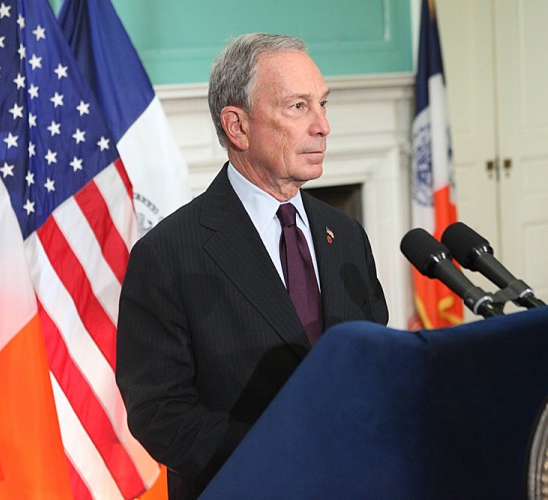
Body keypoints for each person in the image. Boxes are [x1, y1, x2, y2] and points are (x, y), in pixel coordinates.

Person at [116, 32, 389, 499]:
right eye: (298, 107)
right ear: (237, 126)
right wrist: (289, 455)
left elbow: (373, 360)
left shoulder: (344, 235)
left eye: (323, 104)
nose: (323, 126)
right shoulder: (168, 254)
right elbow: (160, 412)